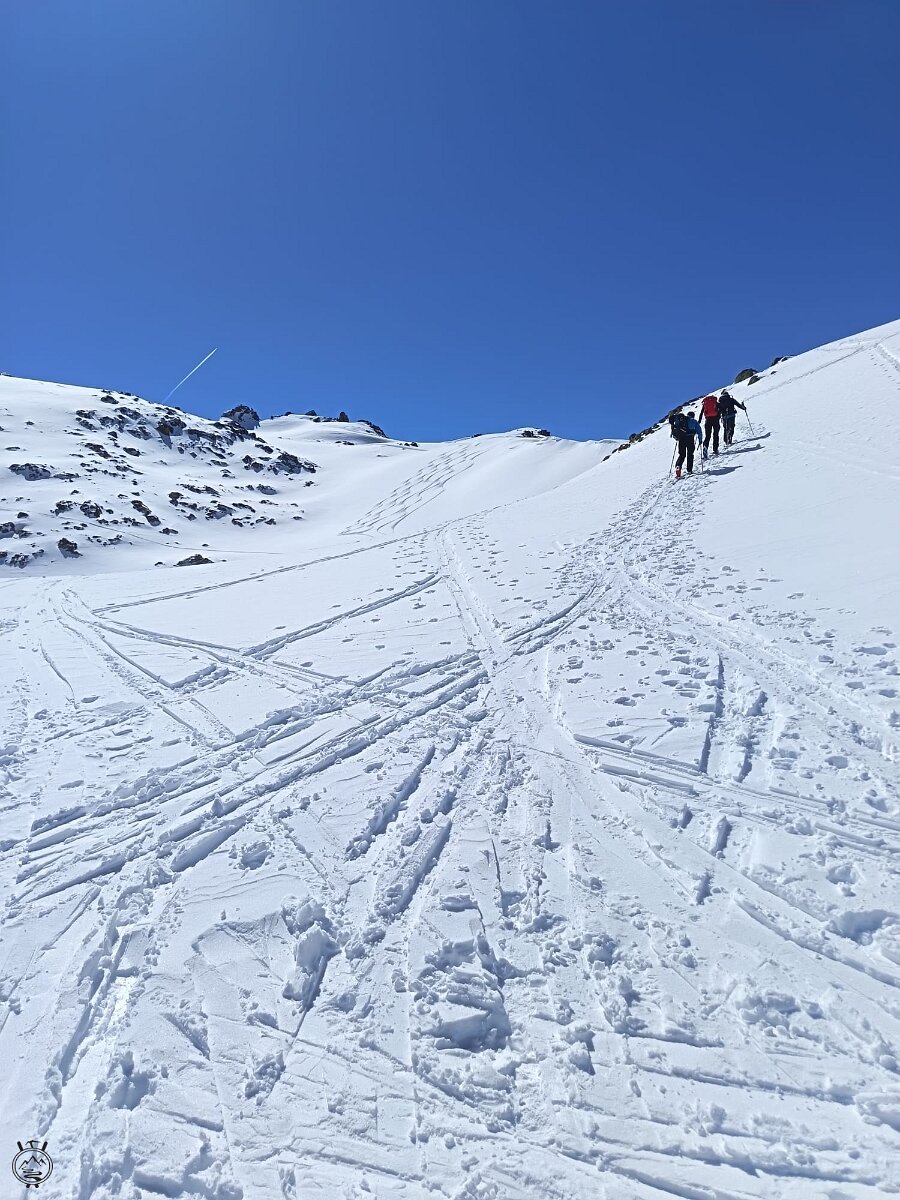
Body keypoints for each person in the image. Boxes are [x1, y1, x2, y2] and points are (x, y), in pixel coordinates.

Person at [669, 409, 703, 478]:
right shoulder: (693, 421)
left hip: (681, 439)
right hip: (690, 438)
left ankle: (678, 466)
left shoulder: (681, 420)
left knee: (682, 454)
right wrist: (700, 440)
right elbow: (699, 431)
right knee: (690, 454)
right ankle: (689, 470)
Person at [700, 393, 721, 458]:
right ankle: (715, 449)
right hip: (716, 420)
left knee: (707, 435)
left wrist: (699, 421)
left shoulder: (705, 404)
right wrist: (719, 416)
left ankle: (705, 447)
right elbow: (721, 409)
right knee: (716, 434)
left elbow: (701, 413)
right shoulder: (716, 403)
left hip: (708, 421)